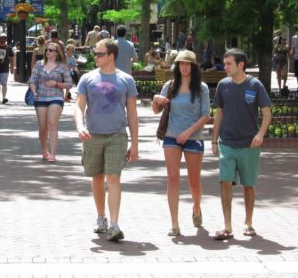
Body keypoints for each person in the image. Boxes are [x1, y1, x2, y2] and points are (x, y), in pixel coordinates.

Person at [74, 38, 139, 242]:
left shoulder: (126, 80)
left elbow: (133, 113)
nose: (96, 56)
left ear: (111, 56)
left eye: (100, 53)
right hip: (93, 134)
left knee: (113, 178)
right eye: (95, 53)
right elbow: (78, 106)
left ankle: (114, 224)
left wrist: (135, 143)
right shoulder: (87, 78)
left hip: (117, 135)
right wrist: (80, 125)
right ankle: (101, 217)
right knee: (97, 177)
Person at [211, 48, 272, 240]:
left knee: (248, 185)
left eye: (229, 64)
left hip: (249, 145)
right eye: (225, 63)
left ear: (241, 65)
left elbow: (267, 112)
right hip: (227, 143)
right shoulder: (223, 85)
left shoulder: (255, 85)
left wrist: (260, 134)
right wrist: (214, 140)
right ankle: (227, 225)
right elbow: (218, 113)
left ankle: (249, 223)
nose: (225, 67)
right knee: (225, 182)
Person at [151, 50, 210, 236]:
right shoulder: (170, 85)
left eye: (188, 64)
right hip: (171, 136)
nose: (184, 67)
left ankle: (197, 207)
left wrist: (189, 131)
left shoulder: (201, 88)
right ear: (177, 66)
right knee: (173, 178)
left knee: (194, 181)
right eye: (181, 64)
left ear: (193, 66)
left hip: (193, 137)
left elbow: (206, 115)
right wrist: (156, 100)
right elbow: (156, 110)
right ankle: (174, 223)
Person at [29, 41, 72, 162]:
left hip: (56, 97)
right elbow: (32, 80)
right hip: (41, 97)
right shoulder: (39, 64)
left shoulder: (62, 66)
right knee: (43, 127)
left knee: (52, 123)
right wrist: (34, 92)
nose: (48, 51)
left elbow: (69, 84)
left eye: (51, 50)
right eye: (47, 49)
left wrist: (56, 84)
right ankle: (44, 151)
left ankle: (53, 154)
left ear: (57, 53)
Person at [0, 33, 14, 104]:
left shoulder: (9, 48)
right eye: (1, 38)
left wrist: (12, 68)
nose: (3, 39)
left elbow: (12, 58)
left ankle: (3, 98)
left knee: (4, 84)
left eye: (4, 38)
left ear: (6, 39)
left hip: (5, 69)